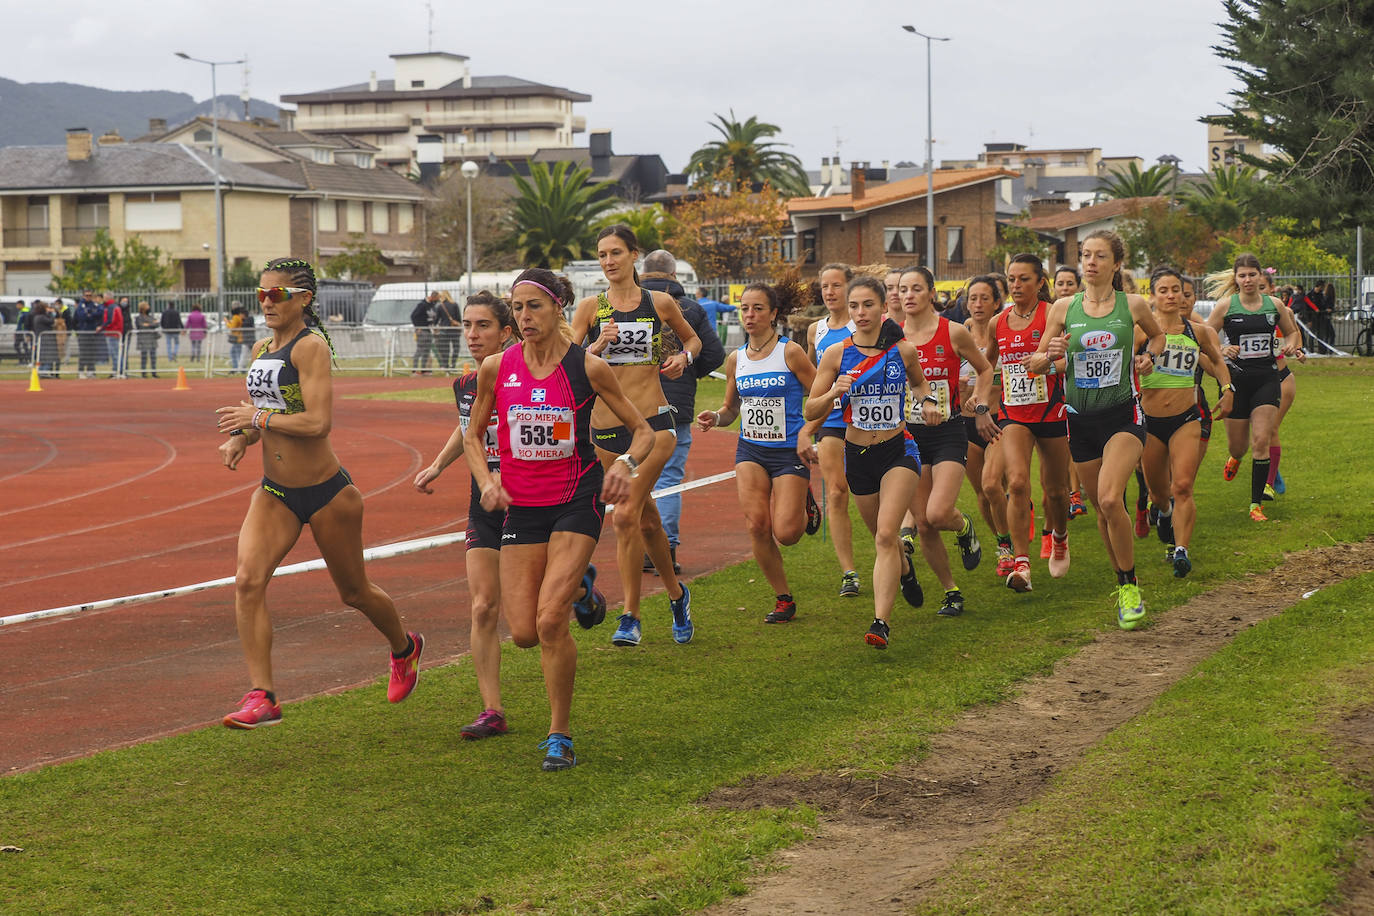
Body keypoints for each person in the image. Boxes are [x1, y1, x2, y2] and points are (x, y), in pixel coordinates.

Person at [215, 257, 423, 729]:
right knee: (247, 581)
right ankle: (262, 695)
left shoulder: (311, 348)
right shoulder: (261, 349)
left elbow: (316, 423)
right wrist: (241, 438)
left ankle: (405, 648)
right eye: (261, 293)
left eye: (278, 294)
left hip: (328, 493)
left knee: (354, 593)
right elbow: (264, 413)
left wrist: (255, 420)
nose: (266, 301)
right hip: (276, 494)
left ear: (303, 299)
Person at [463, 267, 651, 770]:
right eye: (518, 308)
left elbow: (643, 431)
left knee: (549, 623)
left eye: (535, 307)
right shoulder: (496, 368)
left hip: (576, 498)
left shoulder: (586, 367)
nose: (524, 317)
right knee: (523, 631)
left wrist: (627, 466)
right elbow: (472, 435)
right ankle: (585, 591)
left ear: (558, 309)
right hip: (521, 506)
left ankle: (559, 735)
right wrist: (487, 480)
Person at [569, 224, 701, 648]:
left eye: (615, 253)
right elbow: (570, 364)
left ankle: (630, 616)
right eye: (602, 254)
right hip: (607, 430)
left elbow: (693, 340)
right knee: (645, 520)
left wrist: (683, 358)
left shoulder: (659, 302)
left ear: (633, 256)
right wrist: (594, 348)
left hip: (655, 423)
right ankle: (678, 597)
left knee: (624, 515)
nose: (608, 261)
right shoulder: (591, 309)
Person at [1028, 230, 1166, 629]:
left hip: (1123, 416)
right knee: (1106, 513)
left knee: (1108, 500)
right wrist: (1049, 354)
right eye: (1085, 255)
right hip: (1081, 421)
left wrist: (1147, 359)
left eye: (1099, 256)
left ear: (1116, 263)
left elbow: (1157, 337)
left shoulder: (1133, 304)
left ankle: (1130, 587)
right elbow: (1035, 364)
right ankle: (1124, 581)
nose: (1090, 262)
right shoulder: (1063, 308)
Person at [806, 276, 942, 649]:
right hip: (858, 455)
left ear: (884, 308)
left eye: (868, 305)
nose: (860, 313)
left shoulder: (904, 350)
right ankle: (907, 568)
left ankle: (880, 622)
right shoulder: (836, 354)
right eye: (854, 306)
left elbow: (919, 385)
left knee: (887, 534)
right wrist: (835, 391)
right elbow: (810, 409)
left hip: (898, 449)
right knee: (882, 539)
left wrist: (927, 402)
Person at [414, 291, 520, 740]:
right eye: (468, 326)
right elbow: (468, 431)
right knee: (483, 607)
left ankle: (579, 583)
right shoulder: (465, 385)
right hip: (484, 504)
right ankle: (492, 710)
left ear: (506, 333)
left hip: (532, 501)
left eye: (483, 327)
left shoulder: (528, 378)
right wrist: (439, 464)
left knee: (530, 617)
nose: (473, 335)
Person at [697, 279, 816, 623]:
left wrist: (809, 432)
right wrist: (716, 418)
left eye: (758, 308)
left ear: (774, 314)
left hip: (788, 451)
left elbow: (820, 395)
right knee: (756, 526)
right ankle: (783, 598)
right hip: (751, 450)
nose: (749, 315)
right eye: (744, 309)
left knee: (788, 533)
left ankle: (804, 500)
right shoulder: (736, 359)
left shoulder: (789, 352)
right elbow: (731, 409)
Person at [899, 266, 997, 617]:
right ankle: (951, 591)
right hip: (909, 436)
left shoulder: (953, 332)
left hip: (948, 431)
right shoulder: (892, 338)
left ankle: (964, 525)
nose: (908, 295)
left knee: (939, 513)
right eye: (903, 289)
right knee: (922, 522)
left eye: (916, 289)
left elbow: (985, 368)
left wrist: (981, 403)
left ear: (930, 293)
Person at [983, 254, 1074, 592]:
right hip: (1013, 413)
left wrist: (1049, 364)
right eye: (1012, 279)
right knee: (1018, 483)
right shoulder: (998, 322)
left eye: (1024, 279)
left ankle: (1060, 536)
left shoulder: (1053, 314)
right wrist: (980, 399)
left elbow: (1072, 357)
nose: (1016, 285)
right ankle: (1022, 564)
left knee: (1055, 491)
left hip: (1051, 411)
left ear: (1040, 283)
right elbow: (988, 364)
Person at [1137, 266, 1233, 578]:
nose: (1170, 295)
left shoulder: (1198, 332)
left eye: (1175, 289)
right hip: (1150, 421)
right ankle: (1163, 513)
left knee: (1183, 485)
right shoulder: (1140, 333)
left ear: (1183, 294)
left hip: (1187, 419)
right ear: (1152, 296)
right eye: (1163, 290)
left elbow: (1218, 361)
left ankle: (1181, 550)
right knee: (1157, 492)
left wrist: (1227, 389)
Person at [640, 250, 726, 574]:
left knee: (635, 476)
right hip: (677, 405)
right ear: (674, 275)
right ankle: (666, 550)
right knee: (669, 478)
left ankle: (639, 545)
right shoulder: (690, 308)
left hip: (632, 404)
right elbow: (714, 353)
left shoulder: (629, 305)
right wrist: (689, 368)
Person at [1205, 253, 1302, 521]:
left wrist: (1292, 343)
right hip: (1236, 381)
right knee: (1240, 446)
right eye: (1242, 275)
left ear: (1260, 276)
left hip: (1267, 379)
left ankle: (1255, 505)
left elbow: (1292, 331)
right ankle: (1235, 458)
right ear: (1236, 279)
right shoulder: (1226, 307)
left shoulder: (1274, 305)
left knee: (1262, 439)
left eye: (1252, 274)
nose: (1247, 280)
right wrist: (1223, 348)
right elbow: (1205, 336)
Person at [805, 263, 861, 597]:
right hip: (831, 420)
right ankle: (849, 573)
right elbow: (813, 379)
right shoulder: (816, 331)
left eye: (837, 285)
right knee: (837, 492)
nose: (829, 292)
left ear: (850, 288)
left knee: (870, 492)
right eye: (825, 286)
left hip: (864, 421)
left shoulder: (865, 324)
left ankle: (898, 546)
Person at [959, 277, 1010, 552]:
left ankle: (1009, 534)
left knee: (992, 485)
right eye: (973, 298)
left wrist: (991, 387)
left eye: (984, 298)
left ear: (996, 303)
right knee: (982, 491)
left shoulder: (1004, 333)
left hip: (999, 418)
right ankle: (1003, 544)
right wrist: (960, 391)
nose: (978, 304)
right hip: (965, 424)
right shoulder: (958, 336)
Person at [1054, 266, 1089, 520]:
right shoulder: (1050, 315)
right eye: (1060, 284)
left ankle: (1075, 494)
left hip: (1077, 389)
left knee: (1073, 442)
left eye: (1069, 283)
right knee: (1060, 448)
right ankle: (1067, 492)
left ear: (1078, 287)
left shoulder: (1083, 315)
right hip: (1048, 391)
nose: (1064, 288)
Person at [432, 290, 462, 372]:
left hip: (444, 331)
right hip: (454, 330)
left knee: (445, 349)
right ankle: (453, 365)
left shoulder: (440, 306)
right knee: (456, 348)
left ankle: (446, 366)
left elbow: (436, 320)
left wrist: (434, 327)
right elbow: (459, 319)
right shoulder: (455, 305)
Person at [74, 291, 102, 378]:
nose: (88, 297)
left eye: (90, 295)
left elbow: (100, 313)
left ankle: (91, 371)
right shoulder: (80, 305)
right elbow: (82, 316)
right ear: (83, 296)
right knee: (83, 352)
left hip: (92, 332)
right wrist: (90, 315)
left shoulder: (95, 305)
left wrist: (90, 314)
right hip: (83, 332)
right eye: (87, 295)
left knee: (92, 352)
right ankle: (81, 371)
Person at [411, 291, 437, 375]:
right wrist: (417, 327)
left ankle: (424, 370)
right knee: (420, 350)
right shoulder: (422, 305)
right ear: (433, 297)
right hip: (422, 330)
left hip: (429, 330)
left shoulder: (432, 305)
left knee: (426, 351)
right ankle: (414, 370)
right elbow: (413, 316)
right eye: (437, 298)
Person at [133, 301, 160, 377]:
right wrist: (151, 324)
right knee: (144, 357)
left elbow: (157, 324)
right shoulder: (139, 318)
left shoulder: (151, 317)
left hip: (152, 339)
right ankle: (143, 372)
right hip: (143, 339)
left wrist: (149, 324)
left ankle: (154, 373)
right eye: (147, 306)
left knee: (153, 357)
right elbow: (141, 326)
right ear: (143, 308)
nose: (149, 308)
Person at [100, 296, 125, 378]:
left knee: (115, 353)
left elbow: (110, 320)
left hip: (112, 333)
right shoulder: (114, 307)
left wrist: (102, 327)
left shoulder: (111, 307)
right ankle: (118, 370)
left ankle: (117, 371)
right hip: (115, 332)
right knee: (116, 353)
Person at [31, 302, 56, 378]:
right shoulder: (41, 317)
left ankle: (42, 371)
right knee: (47, 356)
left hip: (42, 338)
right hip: (45, 339)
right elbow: (51, 321)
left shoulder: (37, 316)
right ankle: (43, 372)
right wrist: (51, 313)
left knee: (42, 356)